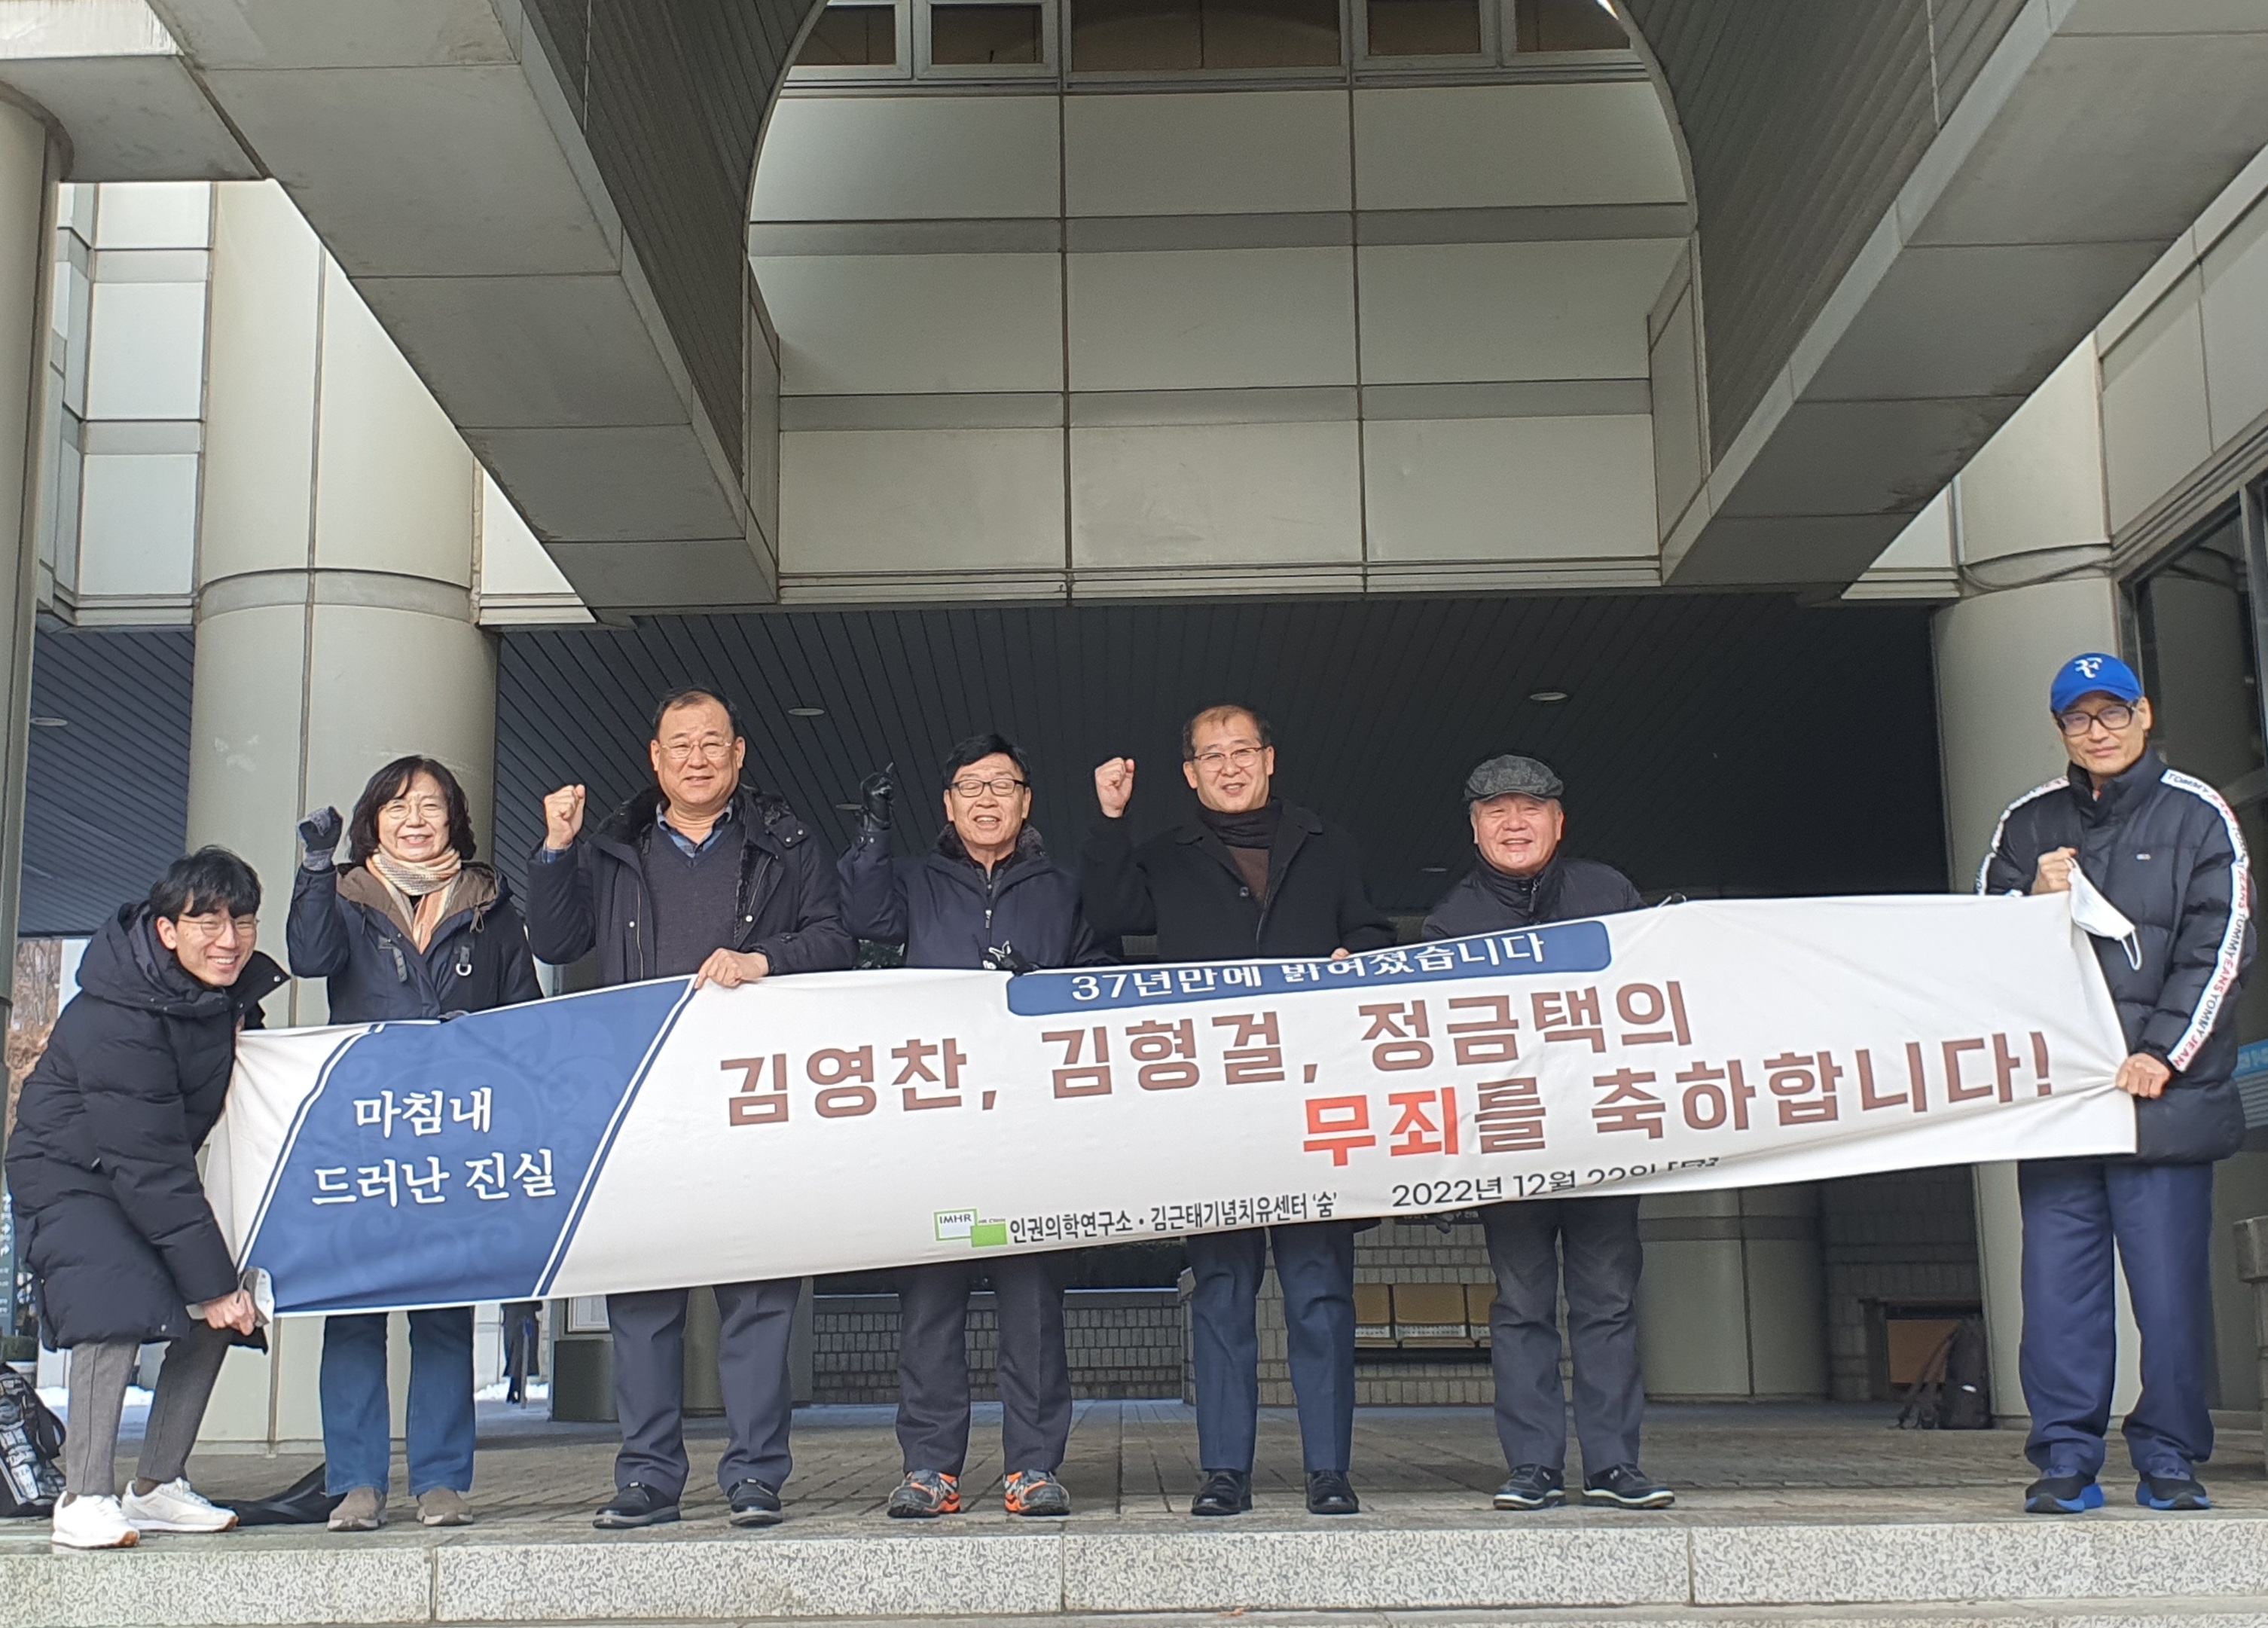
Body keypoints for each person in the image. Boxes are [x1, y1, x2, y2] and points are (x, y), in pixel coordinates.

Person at [527, 686, 854, 1531]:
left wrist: (762, 959)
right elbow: (556, 941)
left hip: (755, 1099)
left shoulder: (784, 843)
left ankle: (755, 1476)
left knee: (759, 1296)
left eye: (713, 742)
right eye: (681, 744)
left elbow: (835, 941)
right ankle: (646, 1478)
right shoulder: (613, 848)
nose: (697, 758)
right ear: (656, 758)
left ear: (738, 754)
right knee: (642, 1296)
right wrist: (557, 849)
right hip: (645, 1100)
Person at [1082, 704, 1392, 1517]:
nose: (1229, 766)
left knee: (1320, 1290)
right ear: (1189, 774)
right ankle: (1224, 1471)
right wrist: (1110, 820)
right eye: (1211, 756)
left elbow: (1369, 928)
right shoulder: (1165, 855)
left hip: (1311, 1102)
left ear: (1269, 758)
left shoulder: (1326, 845)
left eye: (1241, 750)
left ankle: (1329, 1470)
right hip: (1212, 1110)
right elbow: (1109, 914)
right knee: (1220, 1288)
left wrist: (1356, 954)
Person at [1980, 652, 2255, 1516]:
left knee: (2168, 1297)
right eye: (2076, 717)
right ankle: (2065, 1456)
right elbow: (1977, 949)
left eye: (2110, 713)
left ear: (2143, 715)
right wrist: (2031, 898)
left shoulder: (2198, 813)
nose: (2095, 731)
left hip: (2159, 1101)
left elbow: (2220, 944)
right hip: (2061, 1106)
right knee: (2056, 1296)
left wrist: (2161, 1053)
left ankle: (2168, 1455)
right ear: (2059, 729)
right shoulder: (2027, 821)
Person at [840, 733, 1107, 1521]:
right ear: (948, 805)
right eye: (970, 786)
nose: (986, 798)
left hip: (1030, 1131)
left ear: (1027, 801)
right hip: (938, 1131)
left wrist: (1044, 990)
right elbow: (863, 915)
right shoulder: (914, 878)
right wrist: (871, 832)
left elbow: (1098, 978)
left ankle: (1033, 1466)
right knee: (930, 1303)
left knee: (1032, 1304)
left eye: (1002, 785)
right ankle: (930, 1467)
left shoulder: (1062, 887)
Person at [287, 756, 542, 1532]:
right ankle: (356, 1482)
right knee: (353, 1312)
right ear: (373, 821)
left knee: (443, 1315)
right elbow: (309, 957)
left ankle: (440, 1481)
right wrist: (314, 868)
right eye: (398, 806)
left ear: (453, 819)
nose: (415, 819)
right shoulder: (345, 894)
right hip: (366, 1131)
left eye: (430, 805)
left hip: (453, 1135)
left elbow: (523, 1013)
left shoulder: (490, 905)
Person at [7, 849, 282, 1550]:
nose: (229, 939)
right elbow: (149, 1161)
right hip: (68, 1170)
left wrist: (218, 1287)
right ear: (167, 929)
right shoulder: (118, 1012)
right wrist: (210, 1282)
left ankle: (157, 1486)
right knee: (115, 1292)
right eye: (207, 922)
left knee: (228, 1302)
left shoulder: (222, 998)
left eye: (242, 921)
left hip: (140, 1166)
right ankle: (85, 1496)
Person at [1422, 755, 1673, 1512]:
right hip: (1511, 1144)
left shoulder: (1609, 894)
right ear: (1474, 829)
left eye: (1529, 809)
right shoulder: (1450, 922)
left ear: (1557, 822)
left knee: (1608, 1301)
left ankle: (1613, 1464)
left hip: (1603, 1134)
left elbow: (1657, 999)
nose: (1513, 823)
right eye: (1495, 811)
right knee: (1522, 1304)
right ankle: (1531, 1465)